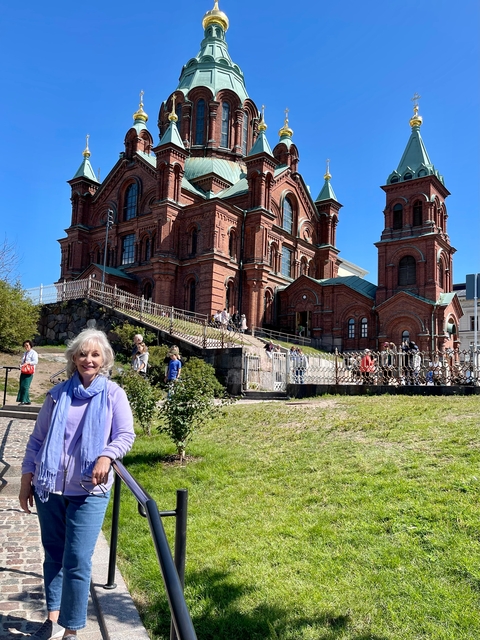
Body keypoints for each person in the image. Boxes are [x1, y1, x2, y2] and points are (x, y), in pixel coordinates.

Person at [19, 328, 135, 640]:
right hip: (49, 488)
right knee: (53, 554)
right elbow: (37, 440)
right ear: (73, 358)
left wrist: (107, 456)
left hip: (89, 491)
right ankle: (54, 619)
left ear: (105, 360)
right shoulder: (57, 395)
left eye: (95, 354)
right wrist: (26, 479)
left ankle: (72, 628)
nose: (88, 359)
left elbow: (125, 435)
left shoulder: (113, 395)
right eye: (83, 354)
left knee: (78, 559)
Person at [17, 339, 39, 405]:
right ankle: (27, 400)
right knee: (22, 385)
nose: (26, 347)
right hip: (24, 371)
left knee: (25, 386)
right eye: (25, 346)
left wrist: (28, 363)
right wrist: (21, 365)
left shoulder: (34, 353)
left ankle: (23, 400)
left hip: (29, 372)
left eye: (27, 345)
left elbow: (35, 362)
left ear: (30, 345)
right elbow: (23, 362)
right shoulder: (25, 353)